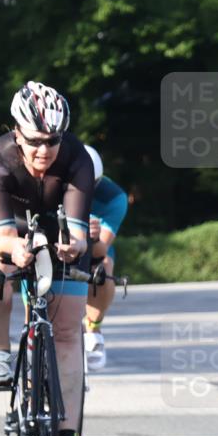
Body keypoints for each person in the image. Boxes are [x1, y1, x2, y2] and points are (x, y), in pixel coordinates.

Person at [0, 81, 93, 436]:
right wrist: (16, 249)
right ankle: (0, 350)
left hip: (54, 220)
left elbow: (80, 233)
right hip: (1, 216)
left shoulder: (77, 158)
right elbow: (3, 237)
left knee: (69, 328)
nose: (44, 151)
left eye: (52, 141)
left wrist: (73, 248)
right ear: (16, 132)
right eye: (35, 141)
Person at [82, 145, 128, 371]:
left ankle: (93, 327)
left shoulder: (114, 197)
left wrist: (90, 238)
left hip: (94, 246)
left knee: (104, 267)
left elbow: (101, 249)